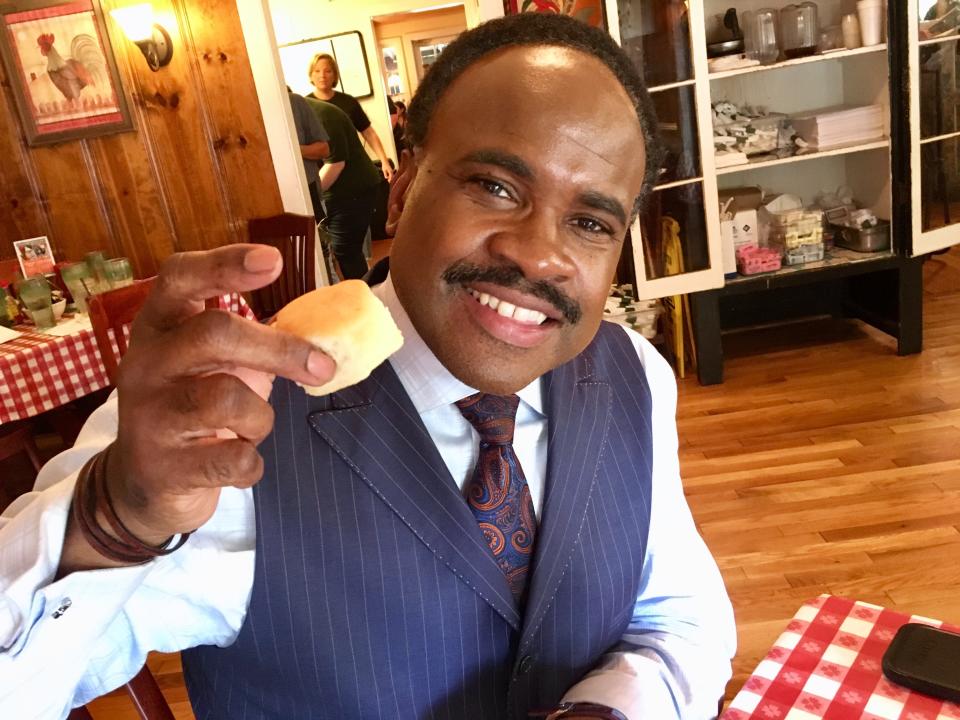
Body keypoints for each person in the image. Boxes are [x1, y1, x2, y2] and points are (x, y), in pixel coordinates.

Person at [0, 13, 735, 720]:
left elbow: (677, 616)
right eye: (495, 186)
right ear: (404, 187)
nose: (539, 253)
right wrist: (110, 518)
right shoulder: (220, 429)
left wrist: (609, 708)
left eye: (590, 222)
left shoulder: (634, 373)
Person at [307, 96, 383, 280]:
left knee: (346, 250)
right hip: (348, 189)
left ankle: (365, 298)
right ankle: (366, 293)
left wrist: (310, 196)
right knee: (348, 251)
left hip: (354, 189)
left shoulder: (323, 115)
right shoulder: (313, 111)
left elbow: (336, 164)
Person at [307, 52, 396, 183]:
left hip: (354, 169)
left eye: (328, 71)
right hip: (324, 174)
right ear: (311, 75)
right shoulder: (305, 106)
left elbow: (368, 132)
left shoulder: (349, 102)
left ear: (335, 75)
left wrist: (384, 161)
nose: (322, 76)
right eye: (317, 71)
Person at [287, 86, 330, 222]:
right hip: (272, 195)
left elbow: (324, 149)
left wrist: (291, 150)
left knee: (317, 240)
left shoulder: (295, 102)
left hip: (307, 188)